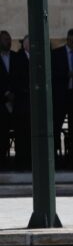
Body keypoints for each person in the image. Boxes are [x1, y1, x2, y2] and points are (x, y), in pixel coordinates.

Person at [51, 28, 73, 165]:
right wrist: (66, 75)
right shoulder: (57, 54)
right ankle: (56, 156)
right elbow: (51, 74)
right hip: (61, 95)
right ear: (68, 40)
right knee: (56, 126)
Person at [13, 36, 31, 170]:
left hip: (34, 105)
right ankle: (21, 162)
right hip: (22, 102)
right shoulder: (17, 58)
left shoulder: (38, 57)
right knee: (22, 133)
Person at [0, 31, 17, 168]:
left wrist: (14, 93)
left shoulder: (16, 57)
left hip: (16, 102)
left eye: (10, 39)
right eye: (6, 39)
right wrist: (5, 93)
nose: (9, 42)